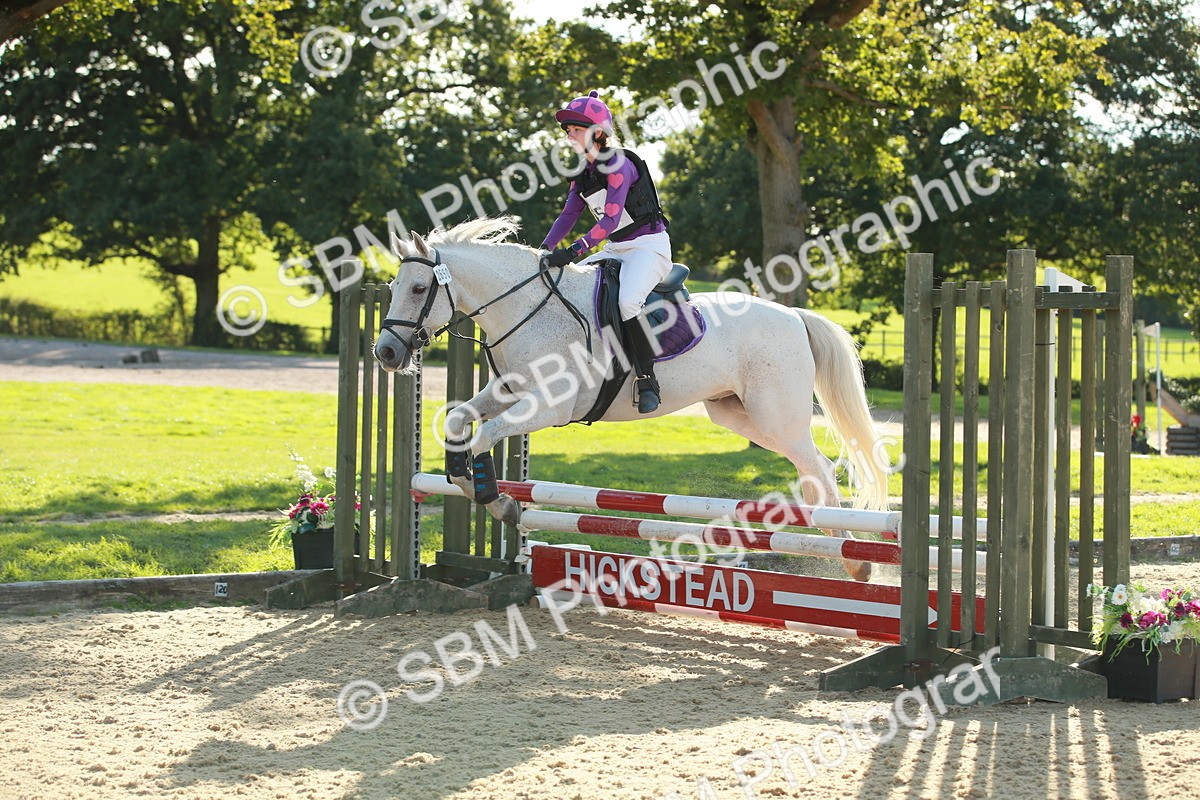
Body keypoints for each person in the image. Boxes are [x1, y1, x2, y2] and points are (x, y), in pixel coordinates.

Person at [541, 90, 671, 414]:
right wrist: (544, 251)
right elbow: (567, 216)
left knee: (628, 302)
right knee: (571, 287)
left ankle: (647, 378)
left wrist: (573, 251)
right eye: (568, 130)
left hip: (648, 247)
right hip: (616, 248)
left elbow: (611, 219)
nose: (569, 135)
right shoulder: (582, 175)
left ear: (598, 133)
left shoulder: (618, 164)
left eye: (576, 129)